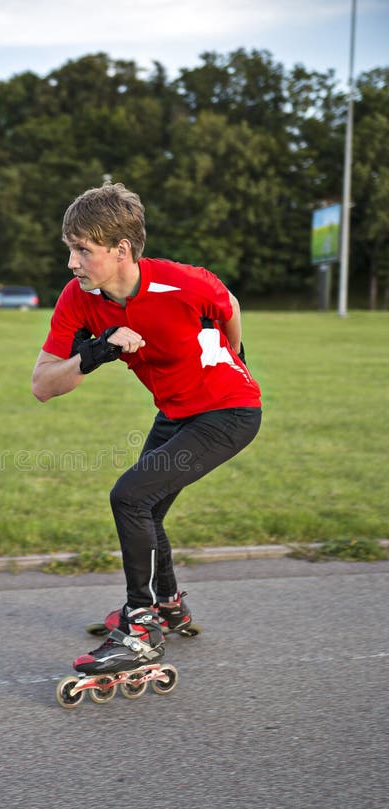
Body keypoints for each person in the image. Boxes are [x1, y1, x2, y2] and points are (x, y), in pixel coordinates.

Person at [32, 182, 261, 676]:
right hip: (175, 412)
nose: (72, 263)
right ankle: (167, 604)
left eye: (82, 251)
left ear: (122, 251)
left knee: (130, 497)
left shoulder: (184, 282)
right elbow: (43, 385)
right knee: (146, 506)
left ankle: (139, 628)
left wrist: (236, 358)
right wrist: (94, 353)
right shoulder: (79, 299)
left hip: (229, 411)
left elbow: (231, 306)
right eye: (69, 249)